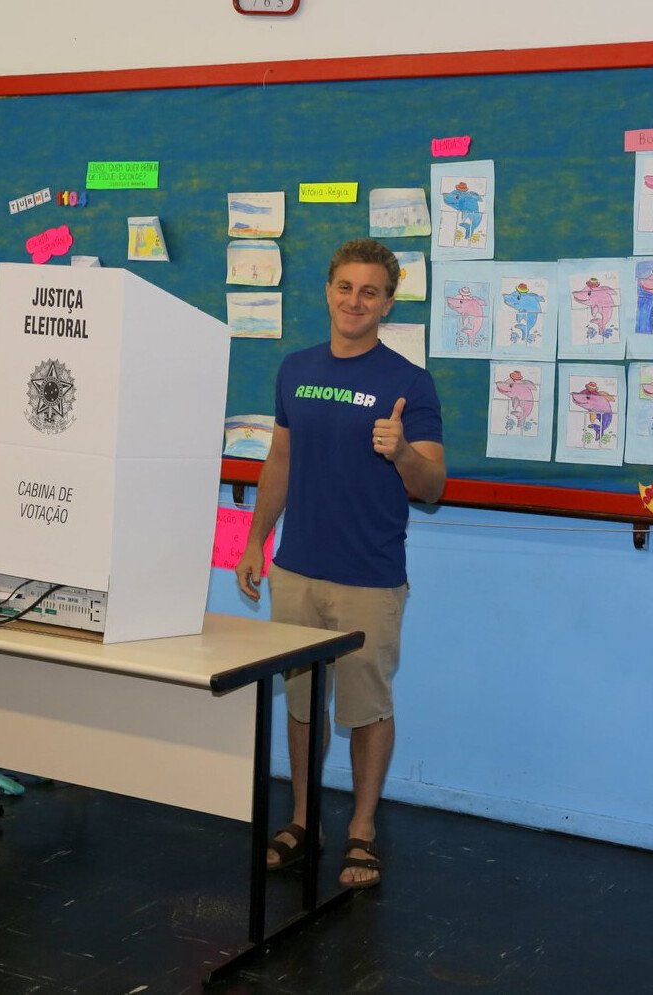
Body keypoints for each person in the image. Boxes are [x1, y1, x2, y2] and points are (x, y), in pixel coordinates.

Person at [235, 237, 446, 890]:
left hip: (370, 576)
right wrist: (255, 539)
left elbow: (433, 485)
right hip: (298, 568)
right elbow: (280, 462)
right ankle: (303, 818)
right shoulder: (294, 369)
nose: (355, 300)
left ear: (387, 303)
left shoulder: (409, 383)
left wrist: (402, 451)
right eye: (345, 287)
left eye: (371, 291)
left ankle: (360, 829)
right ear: (328, 291)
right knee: (302, 703)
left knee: (365, 707)